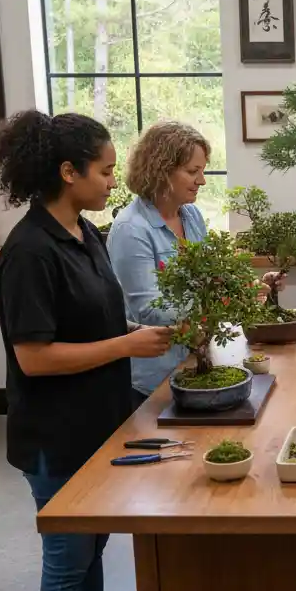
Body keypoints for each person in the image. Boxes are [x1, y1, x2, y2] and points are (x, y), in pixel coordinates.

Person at [0, 111, 173, 591]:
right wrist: (128, 347)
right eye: (102, 170)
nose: (110, 182)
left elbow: (97, 320)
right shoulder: (28, 252)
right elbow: (35, 357)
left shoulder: (85, 233)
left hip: (99, 423)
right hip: (56, 434)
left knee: (91, 553)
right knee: (67, 561)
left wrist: (133, 333)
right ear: (67, 173)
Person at [106, 122, 210, 405]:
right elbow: (148, 309)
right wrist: (214, 303)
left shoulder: (191, 216)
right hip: (153, 377)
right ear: (161, 170)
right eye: (192, 171)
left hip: (193, 359)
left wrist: (247, 289)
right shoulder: (131, 229)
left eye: (202, 171)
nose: (201, 180)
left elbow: (212, 275)